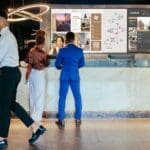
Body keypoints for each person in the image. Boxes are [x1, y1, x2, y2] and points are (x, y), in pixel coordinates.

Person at [0, 10, 46, 149]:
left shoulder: (6, 37)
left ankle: (2, 139)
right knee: (11, 103)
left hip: (8, 73)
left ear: (2, 20)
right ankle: (35, 127)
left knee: (3, 105)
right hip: (10, 73)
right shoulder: (6, 36)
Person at [55, 32, 85, 128]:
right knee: (77, 97)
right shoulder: (79, 51)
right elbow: (82, 64)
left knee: (62, 97)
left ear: (66, 39)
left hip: (64, 75)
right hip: (75, 76)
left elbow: (57, 64)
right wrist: (75, 67)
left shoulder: (62, 51)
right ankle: (78, 119)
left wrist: (62, 67)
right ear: (74, 39)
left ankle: (61, 119)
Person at [26, 30, 48, 125]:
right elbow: (46, 64)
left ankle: (32, 115)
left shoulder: (31, 51)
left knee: (32, 94)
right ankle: (37, 117)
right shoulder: (43, 53)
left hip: (32, 74)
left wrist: (27, 75)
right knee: (39, 95)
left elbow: (29, 64)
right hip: (39, 74)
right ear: (42, 43)